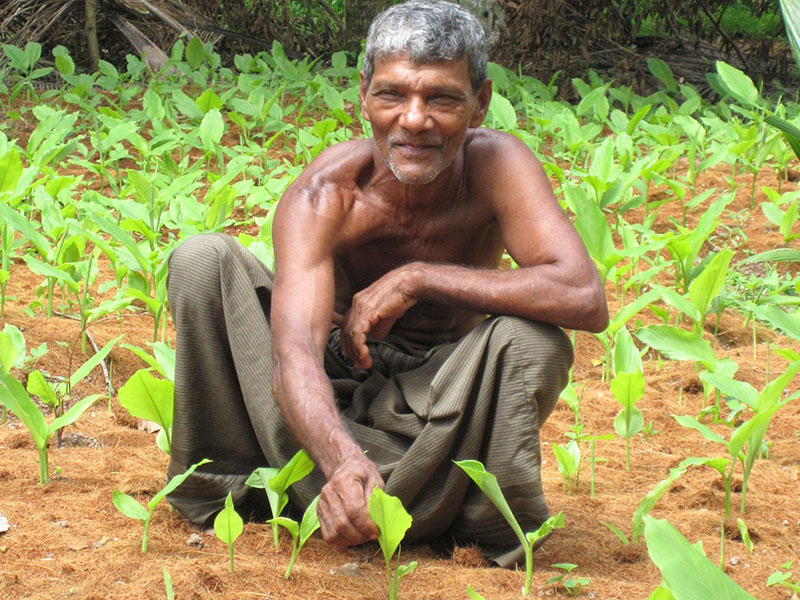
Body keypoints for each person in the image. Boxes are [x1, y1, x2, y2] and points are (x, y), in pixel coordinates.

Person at [165, 0, 608, 566]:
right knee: (204, 259)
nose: (415, 120)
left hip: (446, 398)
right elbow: (294, 353)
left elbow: (584, 296)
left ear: (480, 104)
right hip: (328, 390)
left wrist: (420, 278)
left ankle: (480, 524)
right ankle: (232, 486)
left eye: (442, 98)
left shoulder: (497, 164)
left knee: (536, 343)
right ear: (363, 95)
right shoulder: (326, 193)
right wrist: (343, 459)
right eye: (393, 94)